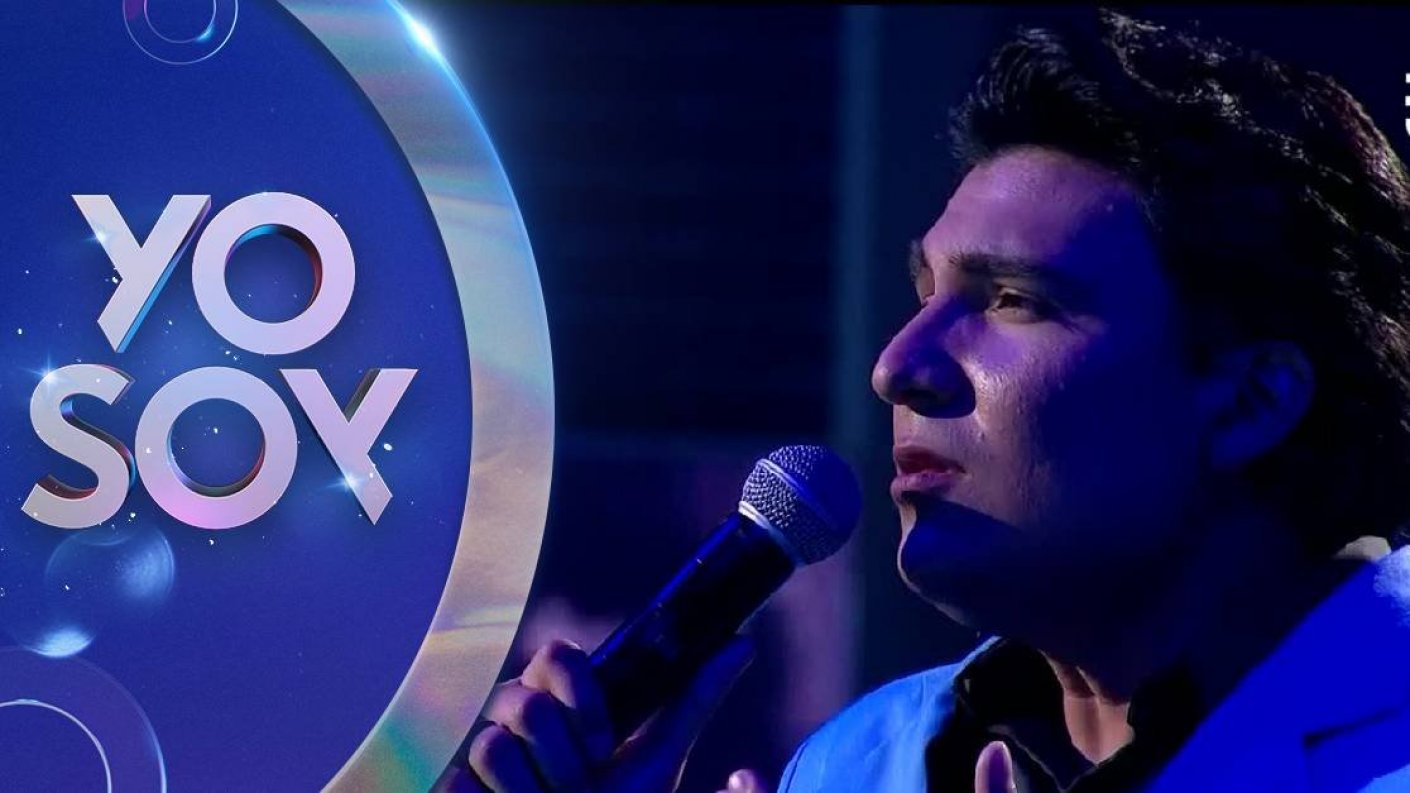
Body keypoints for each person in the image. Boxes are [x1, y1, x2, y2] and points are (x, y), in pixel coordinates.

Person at [444, 10, 1410, 793]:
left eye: (1012, 300)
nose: (898, 365)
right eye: (923, 296)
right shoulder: (852, 765)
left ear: (1248, 400)